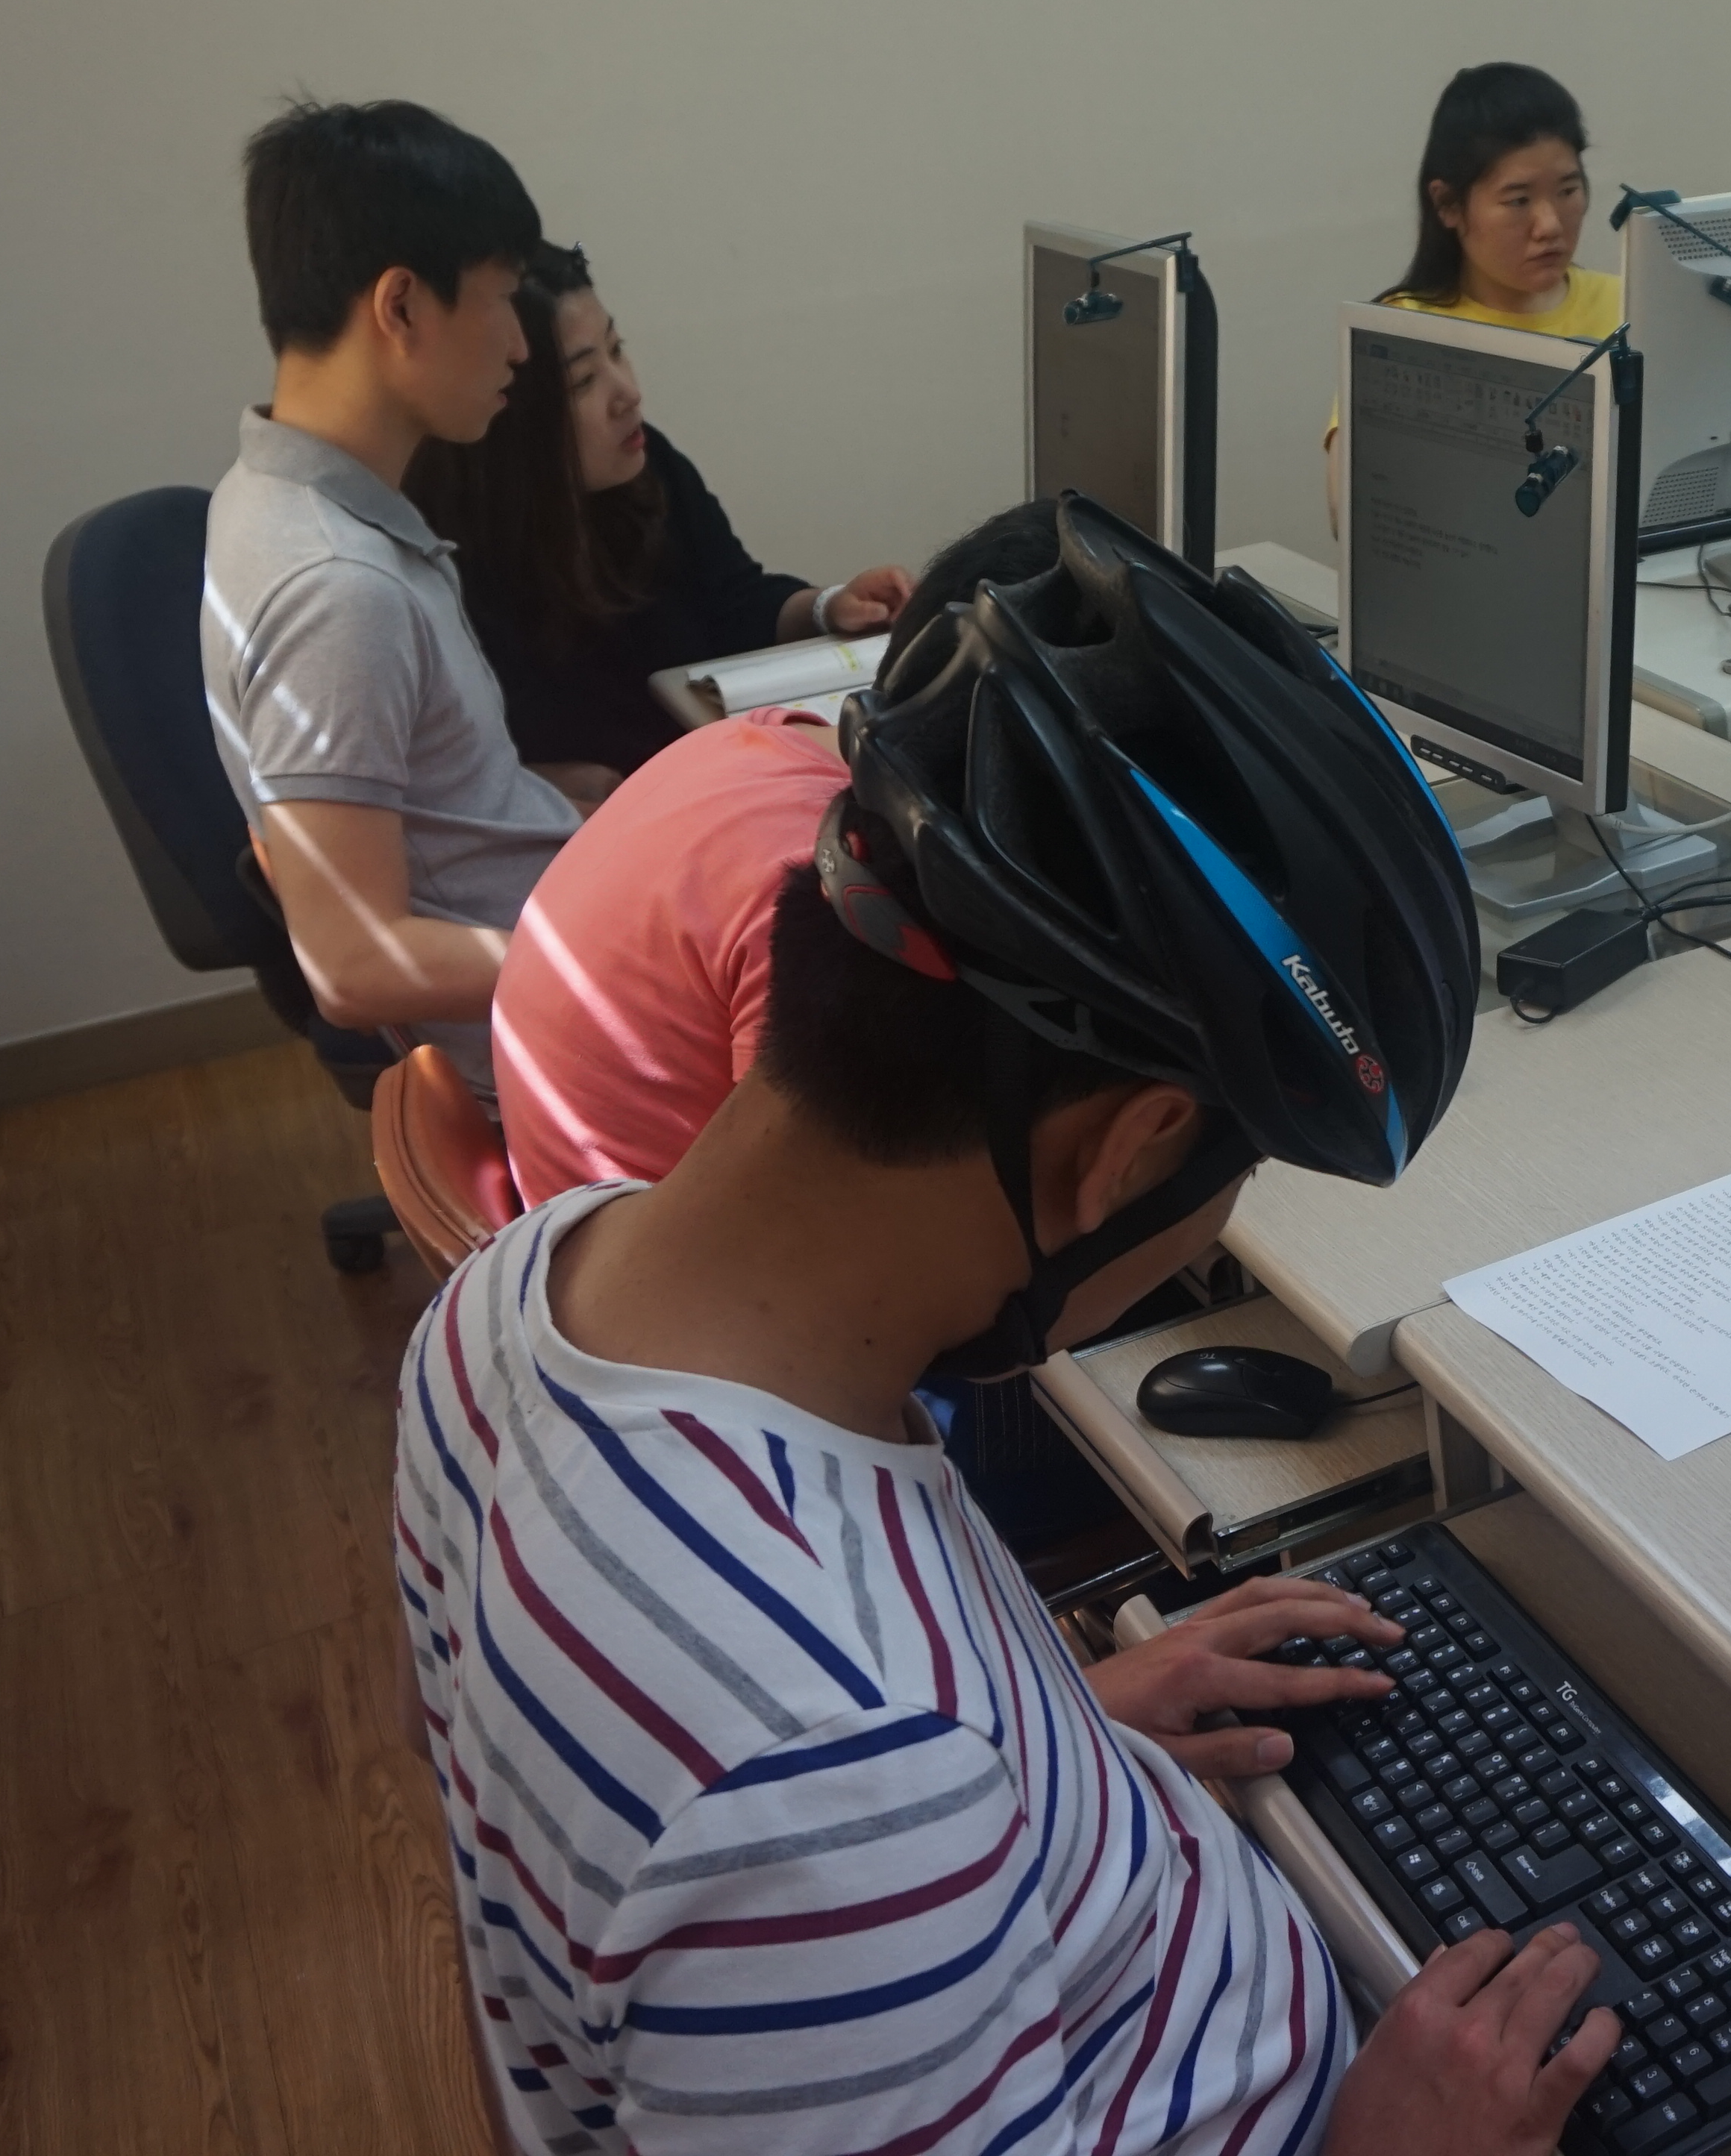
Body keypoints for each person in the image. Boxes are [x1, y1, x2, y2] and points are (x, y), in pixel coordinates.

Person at [398, 492, 1612, 2155]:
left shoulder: (507, 1305)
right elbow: (807, 1807)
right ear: (1131, 1145)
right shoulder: (829, 1786)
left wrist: (1054, 1757)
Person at [485, 498, 1055, 1207]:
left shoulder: (756, 736)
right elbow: (806, 1203)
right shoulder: (827, 890)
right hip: (650, 1246)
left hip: (572, 1194)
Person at [201, 98, 573, 1086]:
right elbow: (354, 966)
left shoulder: (268, 494)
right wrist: (618, 955)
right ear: (401, 306)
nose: (521, 345)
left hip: (554, 936)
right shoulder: (337, 591)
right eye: (503, 299)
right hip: (555, 1041)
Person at [404, 242, 915, 798]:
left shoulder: (647, 466)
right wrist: (538, 789)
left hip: (715, 780)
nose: (628, 394)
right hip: (610, 822)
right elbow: (449, 771)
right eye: (583, 382)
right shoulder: (448, 557)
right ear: (507, 405)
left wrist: (828, 607)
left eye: (617, 350)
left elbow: (735, 601)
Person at [1330, 63, 1615, 533]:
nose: (1550, 225)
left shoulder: (1630, 307)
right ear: (1448, 205)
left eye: (1567, 190)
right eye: (1518, 200)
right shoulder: (1402, 332)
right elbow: (1355, 518)